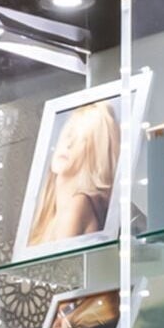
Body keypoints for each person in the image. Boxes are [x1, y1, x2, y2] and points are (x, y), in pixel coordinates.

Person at [22, 99, 122, 251]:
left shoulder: (78, 203)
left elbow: (58, 267)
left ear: (95, 152)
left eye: (81, 139)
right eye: (68, 135)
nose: (68, 144)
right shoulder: (51, 215)